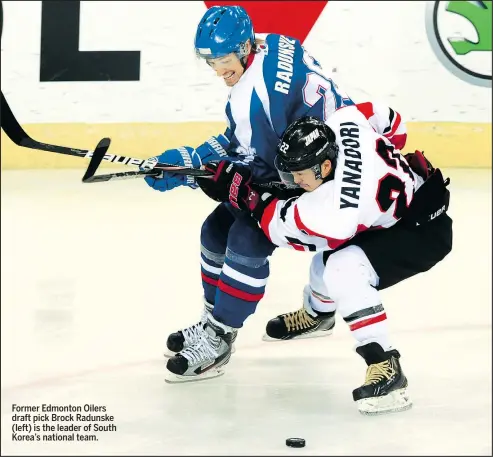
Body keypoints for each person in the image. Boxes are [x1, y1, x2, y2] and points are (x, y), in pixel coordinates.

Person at [169, 104, 452, 416]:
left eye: (299, 174)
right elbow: (390, 120)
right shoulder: (344, 122)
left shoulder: (332, 212)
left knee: (342, 269)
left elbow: (274, 223)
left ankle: (386, 366)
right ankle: (319, 316)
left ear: (325, 168)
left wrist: (242, 194)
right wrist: (384, 158)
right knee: (325, 265)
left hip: (422, 232)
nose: (293, 179)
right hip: (406, 200)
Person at [143, 5, 370, 359]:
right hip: (316, 154)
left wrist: (193, 171)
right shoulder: (274, 44)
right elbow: (243, 139)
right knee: (215, 230)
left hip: (326, 180)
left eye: (224, 60)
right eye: (210, 61)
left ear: (245, 48)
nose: (218, 70)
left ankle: (220, 339)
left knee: (246, 238)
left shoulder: (260, 94)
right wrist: (192, 160)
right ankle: (212, 321)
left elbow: (261, 166)